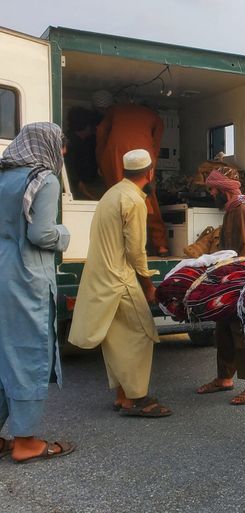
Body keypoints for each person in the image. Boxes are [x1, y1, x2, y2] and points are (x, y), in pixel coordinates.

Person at [69, 149, 172, 418]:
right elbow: (135, 251)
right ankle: (136, 399)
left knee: (116, 338)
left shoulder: (111, 194)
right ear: (150, 173)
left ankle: (122, 396)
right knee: (141, 334)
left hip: (101, 277)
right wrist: (148, 285)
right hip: (119, 278)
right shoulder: (134, 200)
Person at [0, 123, 75, 463]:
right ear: (48, 146)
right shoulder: (43, 179)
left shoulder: (3, 176)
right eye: (61, 150)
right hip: (25, 275)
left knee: (2, 353)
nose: (61, 157)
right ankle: (25, 442)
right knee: (29, 350)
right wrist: (64, 234)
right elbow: (41, 234)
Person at [196, 167, 245, 405]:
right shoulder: (234, 208)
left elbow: (244, 251)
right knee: (224, 328)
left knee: (244, 330)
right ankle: (224, 378)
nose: (211, 193)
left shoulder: (241, 209)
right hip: (232, 277)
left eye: (212, 188)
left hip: (243, 278)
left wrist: (236, 280)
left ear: (223, 189)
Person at [94, 92, 169, 257]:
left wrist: (101, 161)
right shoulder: (156, 118)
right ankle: (161, 245)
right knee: (148, 198)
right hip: (144, 155)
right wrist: (151, 169)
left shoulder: (115, 110)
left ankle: (119, 246)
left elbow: (100, 131)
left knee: (117, 199)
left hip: (115, 153)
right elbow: (155, 146)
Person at [64, 106, 103, 200]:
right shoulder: (70, 143)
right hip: (76, 190)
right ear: (87, 127)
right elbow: (69, 168)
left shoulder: (85, 141)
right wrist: (80, 184)